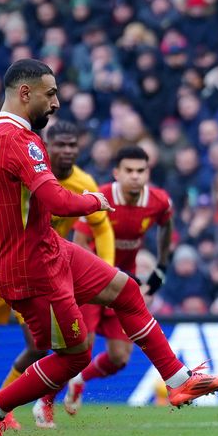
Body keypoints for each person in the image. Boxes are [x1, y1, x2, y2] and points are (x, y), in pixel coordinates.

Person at [0, 59, 218, 436]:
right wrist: (93, 201)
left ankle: (178, 381)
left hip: (49, 249)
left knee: (126, 291)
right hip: (31, 268)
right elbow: (55, 199)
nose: (55, 103)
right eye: (50, 94)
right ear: (25, 93)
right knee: (73, 357)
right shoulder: (22, 142)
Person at [0, 119, 116, 431]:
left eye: (73, 146)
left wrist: (108, 272)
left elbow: (101, 225)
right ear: (46, 147)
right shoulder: (20, 167)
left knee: (39, 344)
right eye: (61, 145)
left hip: (37, 272)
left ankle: (2, 406)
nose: (67, 151)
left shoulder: (82, 180)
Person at [62, 144, 174, 418]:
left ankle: (79, 381)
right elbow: (80, 241)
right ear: (116, 173)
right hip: (90, 283)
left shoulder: (158, 201)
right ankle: (45, 402)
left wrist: (161, 266)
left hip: (123, 286)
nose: (135, 176)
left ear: (148, 173)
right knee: (80, 349)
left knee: (120, 357)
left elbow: (166, 225)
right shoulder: (100, 197)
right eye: (129, 170)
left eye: (141, 171)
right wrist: (97, 273)